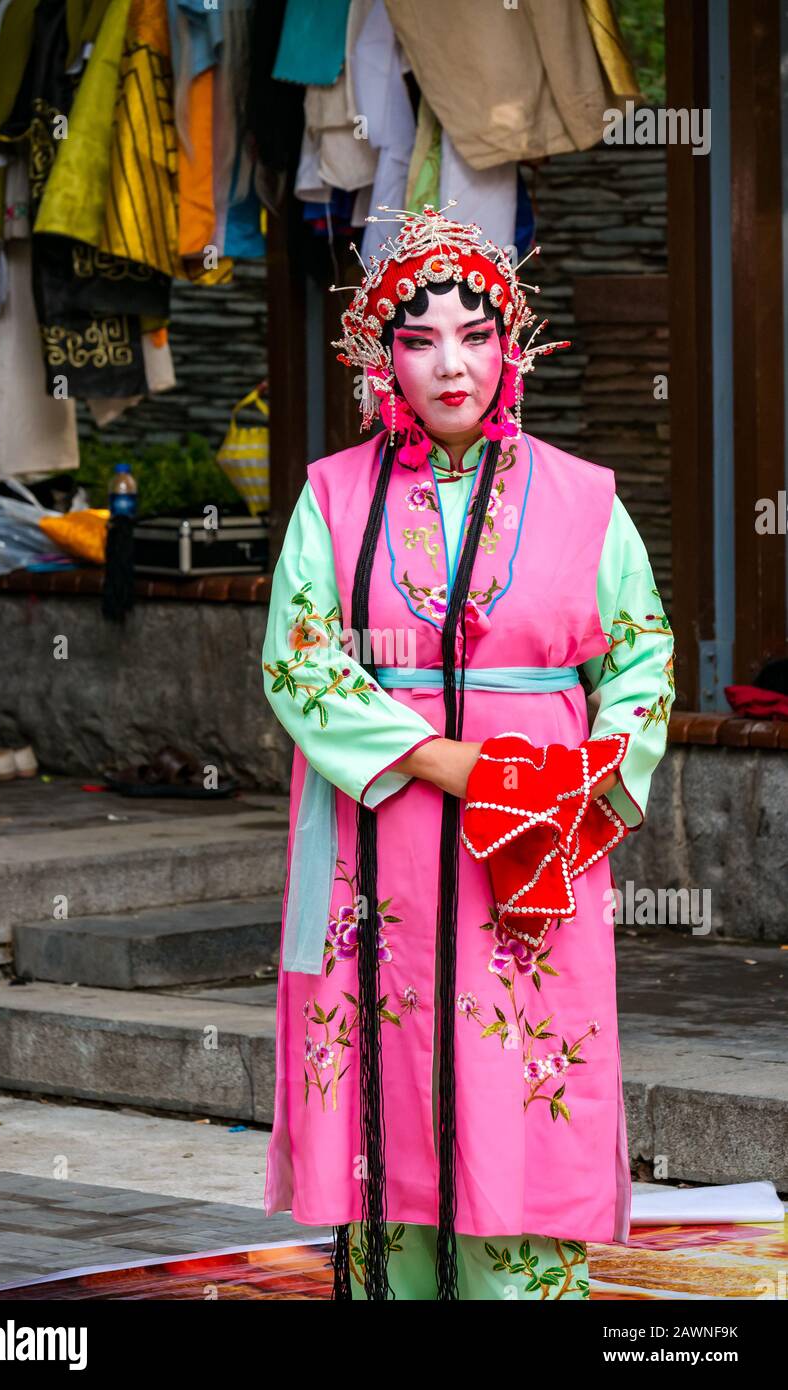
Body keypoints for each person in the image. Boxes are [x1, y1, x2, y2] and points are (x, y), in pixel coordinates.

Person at [260, 202, 675, 1300]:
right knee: (384, 1088)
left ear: (513, 346)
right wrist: (453, 764)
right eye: (419, 337)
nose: (452, 363)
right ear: (378, 356)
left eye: (476, 334)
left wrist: (579, 790)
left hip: (534, 841)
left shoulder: (587, 499)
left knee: (518, 1076)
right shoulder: (333, 496)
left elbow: (642, 663)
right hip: (379, 835)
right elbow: (301, 661)